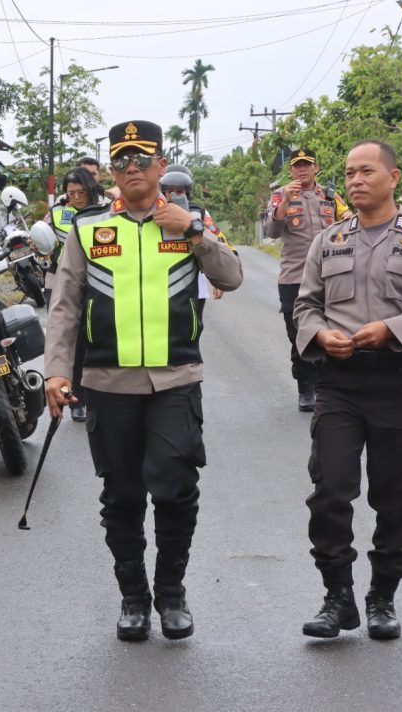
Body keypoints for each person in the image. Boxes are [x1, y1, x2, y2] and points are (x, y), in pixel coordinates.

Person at [45, 120, 242, 642]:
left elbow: (232, 277)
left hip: (175, 378)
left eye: (142, 160)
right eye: (121, 161)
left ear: (161, 166)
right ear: (111, 171)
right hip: (108, 384)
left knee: (176, 487)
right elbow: (64, 306)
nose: (132, 169)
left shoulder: (190, 221)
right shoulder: (87, 228)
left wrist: (193, 232)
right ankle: (133, 598)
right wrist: (57, 371)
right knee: (122, 494)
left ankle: (172, 594)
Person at [293, 139, 402, 641]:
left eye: (366, 171)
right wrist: (320, 334)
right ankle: (337, 597)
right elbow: (305, 307)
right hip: (339, 385)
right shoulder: (328, 240)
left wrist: (394, 328)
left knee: (394, 498)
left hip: (397, 384)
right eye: (349, 173)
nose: (355, 180)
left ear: (393, 176)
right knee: (329, 493)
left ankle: (383, 595)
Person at [265, 148, 350, 412]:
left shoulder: (331, 196)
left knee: (331, 330)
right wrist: (284, 204)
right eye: (297, 166)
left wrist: (347, 219)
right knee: (299, 334)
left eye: (307, 165)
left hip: (330, 276)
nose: (302, 169)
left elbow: (349, 222)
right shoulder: (281, 195)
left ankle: (328, 386)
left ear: (316, 168)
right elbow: (271, 231)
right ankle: (306, 388)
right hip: (294, 277)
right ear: (290, 170)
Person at [44, 167, 105, 422]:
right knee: (72, 343)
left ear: (90, 188)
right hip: (61, 279)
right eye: (71, 193)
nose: (77, 198)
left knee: (94, 340)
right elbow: (41, 237)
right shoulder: (57, 212)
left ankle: (96, 395)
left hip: (97, 283)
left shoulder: (106, 212)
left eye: (81, 192)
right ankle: (75, 398)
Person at [159, 164, 235, 311]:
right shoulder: (155, 214)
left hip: (193, 282)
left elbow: (219, 243)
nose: (175, 195)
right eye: (170, 191)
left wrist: (217, 280)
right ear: (163, 191)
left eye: (180, 191)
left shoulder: (199, 214)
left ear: (188, 192)